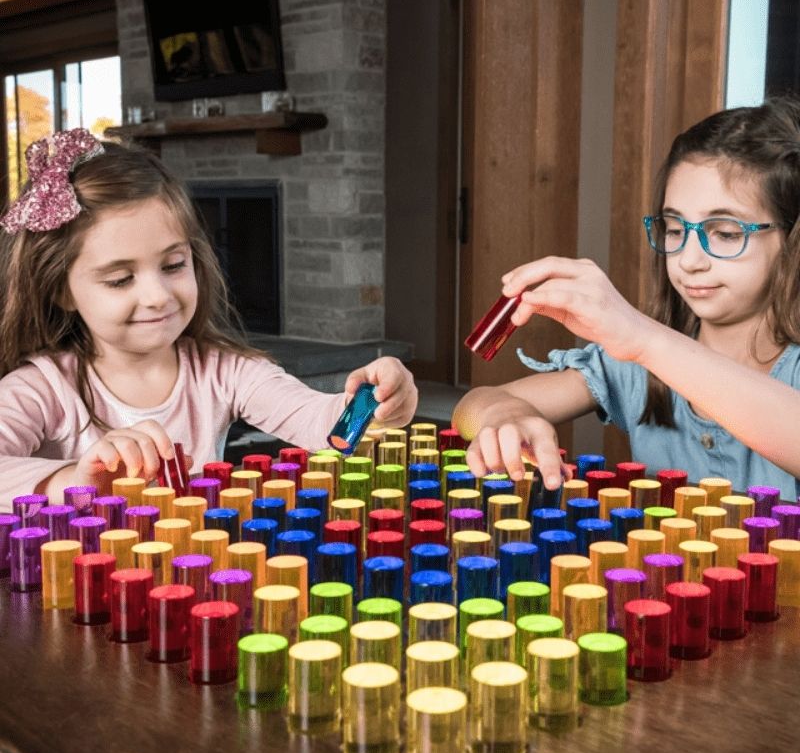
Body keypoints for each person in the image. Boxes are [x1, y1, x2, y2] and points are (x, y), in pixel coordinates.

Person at [0, 130, 417, 511]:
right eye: (120, 279)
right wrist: (71, 480)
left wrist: (370, 407)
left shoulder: (223, 370)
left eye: (173, 265)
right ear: (62, 291)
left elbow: (316, 420)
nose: (158, 296)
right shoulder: (42, 388)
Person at [453, 97, 800, 499]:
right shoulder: (635, 368)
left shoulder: (646, 348)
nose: (688, 260)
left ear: (791, 239)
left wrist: (643, 337)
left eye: (725, 233)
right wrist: (505, 416)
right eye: (673, 229)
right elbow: (474, 405)